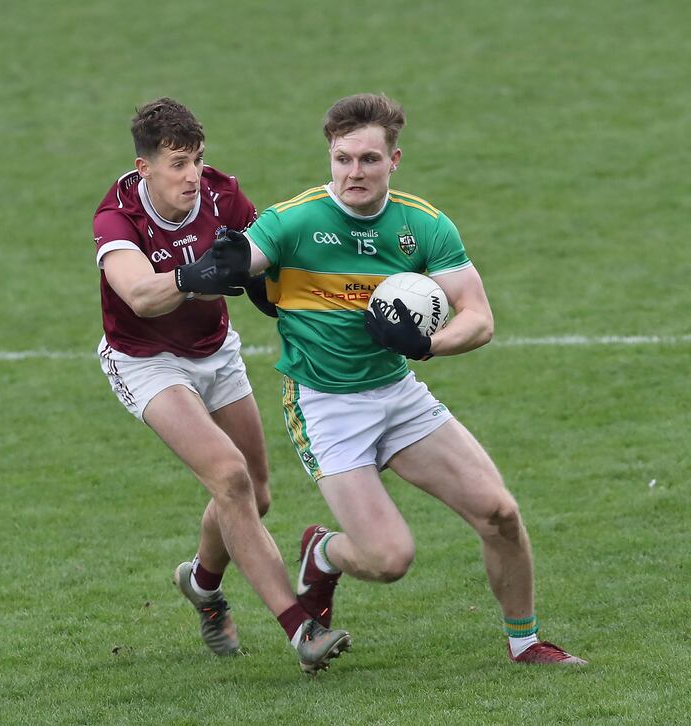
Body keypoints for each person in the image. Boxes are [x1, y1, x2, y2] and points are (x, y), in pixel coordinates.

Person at [193, 93, 586, 665]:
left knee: (499, 512)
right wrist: (229, 262)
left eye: (369, 160)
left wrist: (427, 345)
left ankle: (524, 644)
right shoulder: (294, 219)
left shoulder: (421, 225)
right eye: (344, 158)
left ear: (393, 160)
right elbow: (251, 255)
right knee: (389, 558)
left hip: (398, 396)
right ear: (330, 156)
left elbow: (478, 318)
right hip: (327, 406)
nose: (355, 172)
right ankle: (324, 555)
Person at [92, 97, 350, 674]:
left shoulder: (222, 194)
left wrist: (276, 289)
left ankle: (202, 583)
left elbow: (266, 261)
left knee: (254, 495)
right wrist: (195, 276)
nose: (192, 176)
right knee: (228, 476)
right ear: (145, 169)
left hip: (214, 352)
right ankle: (300, 629)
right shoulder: (116, 217)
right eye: (178, 164)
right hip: (146, 360)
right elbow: (139, 295)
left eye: (197, 160)